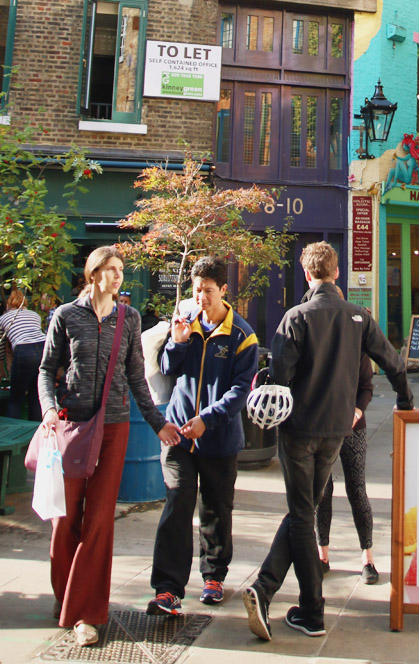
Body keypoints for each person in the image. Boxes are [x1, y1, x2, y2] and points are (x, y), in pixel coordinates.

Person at [242, 241, 414, 642]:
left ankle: (310, 611)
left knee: (302, 513)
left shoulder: (295, 318)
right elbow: (393, 362)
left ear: (306, 275)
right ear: (336, 273)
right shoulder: (359, 317)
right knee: (303, 512)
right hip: (338, 430)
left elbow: (279, 379)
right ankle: (272, 593)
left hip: (299, 429)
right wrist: (406, 403)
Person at [38, 246, 181, 648]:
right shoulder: (66, 316)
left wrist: (157, 424)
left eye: (121, 269)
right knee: (65, 519)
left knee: (99, 520)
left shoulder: (129, 318)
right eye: (111, 269)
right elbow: (47, 369)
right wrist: (49, 408)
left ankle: (86, 613)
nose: (119, 276)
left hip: (115, 427)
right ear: (93, 273)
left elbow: (137, 377)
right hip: (71, 426)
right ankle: (66, 593)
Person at [147, 256, 259, 615]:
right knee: (178, 504)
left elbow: (240, 390)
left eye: (208, 291)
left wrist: (207, 420)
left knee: (216, 508)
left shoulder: (242, 335)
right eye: (197, 291)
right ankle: (167, 588)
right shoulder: (185, 323)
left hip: (219, 439)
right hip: (180, 436)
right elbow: (166, 369)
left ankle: (214, 576)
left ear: (224, 290)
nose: (201, 298)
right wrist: (177, 342)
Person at [315, 291, 378, 583]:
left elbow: (367, 385)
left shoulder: (358, 347)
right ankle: (322, 554)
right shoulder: (318, 343)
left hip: (353, 427)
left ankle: (367, 558)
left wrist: (355, 411)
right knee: (322, 492)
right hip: (322, 427)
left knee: (357, 489)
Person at [0, 289, 46, 420]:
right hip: (44, 347)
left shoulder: (3, 319)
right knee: (35, 396)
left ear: (8, 304)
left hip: (23, 350)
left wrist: (2, 369)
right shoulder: (34, 315)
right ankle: (36, 434)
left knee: (15, 398)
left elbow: (2, 348)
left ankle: (11, 432)